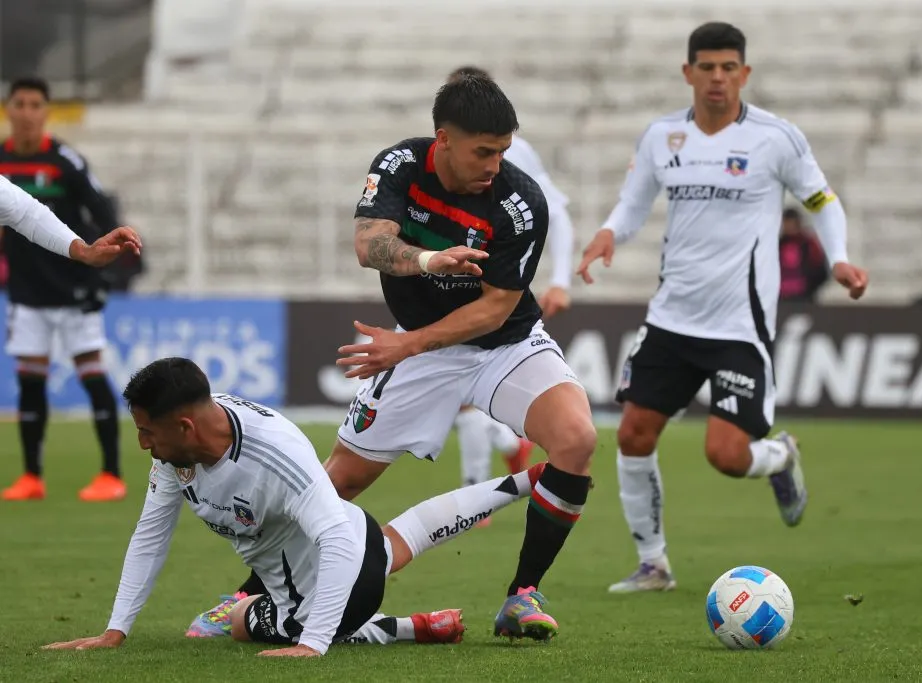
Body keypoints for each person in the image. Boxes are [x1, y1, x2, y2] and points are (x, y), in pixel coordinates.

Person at [190, 75, 596, 644]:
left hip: (506, 344)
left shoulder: (521, 201)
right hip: (420, 346)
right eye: (483, 151)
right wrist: (431, 262)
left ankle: (522, 595)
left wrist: (405, 344)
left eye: (503, 150)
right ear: (443, 140)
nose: (494, 164)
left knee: (577, 440)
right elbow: (368, 245)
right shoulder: (400, 165)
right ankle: (248, 594)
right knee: (335, 483)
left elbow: (495, 308)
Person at [577, 22, 869, 594]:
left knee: (727, 455)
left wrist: (839, 258)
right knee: (634, 434)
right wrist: (610, 233)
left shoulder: (775, 138)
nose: (717, 78)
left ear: (744, 73)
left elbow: (822, 202)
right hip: (671, 317)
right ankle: (653, 564)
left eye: (728, 67)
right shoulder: (662, 137)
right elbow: (633, 203)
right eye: (706, 67)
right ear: (688, 73)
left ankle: (779, 457)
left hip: (740, 324)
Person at [42, 357, 553, 656]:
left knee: (241, 621)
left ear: (184, 428)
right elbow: (151, 535)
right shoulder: (183, 445)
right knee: (400, 539)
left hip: (330, 583)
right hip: (361, 540)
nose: (142, 444)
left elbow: (331, 540)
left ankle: (401, 627)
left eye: (146, 432)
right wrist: (116, 629)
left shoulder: (273, 451)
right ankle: (528, 479)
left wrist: (313, 642)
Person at [1, 77, 141, 503]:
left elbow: (100, 214)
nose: (26, 112)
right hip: (27, 290)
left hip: (74, 288)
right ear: (9, 110)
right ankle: (31, 477)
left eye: (34, 104)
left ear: (45, 112)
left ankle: (111, 474)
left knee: (92, 373)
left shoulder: (65, 160)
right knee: (29, 380)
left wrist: (107, 275)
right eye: (19, 104)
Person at [444, 65, 578, 505]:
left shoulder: (515, 153)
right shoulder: (442, 155)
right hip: (453, 285)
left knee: (464, 397)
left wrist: (559, 281)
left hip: (502, 289)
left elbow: (555, 211)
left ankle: (474, 495)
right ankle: (508, 447)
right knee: (465, 397)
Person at [779, 207, 829, 302]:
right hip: (781, 299)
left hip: (804, 299)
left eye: (791, 223)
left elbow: (822, 271)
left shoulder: (809, 244)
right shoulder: (777, 245)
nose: (789, 227)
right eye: (786, 223)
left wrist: (808, 287)